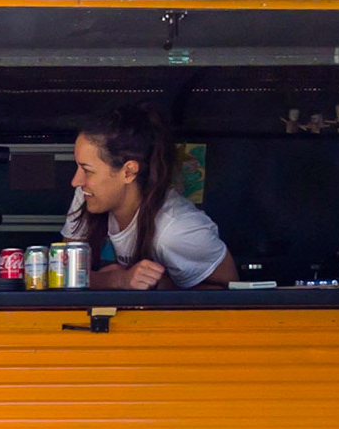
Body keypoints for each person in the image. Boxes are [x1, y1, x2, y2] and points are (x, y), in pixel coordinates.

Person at [63, 103, 237, 290]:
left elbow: (232, 295)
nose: (76, 181)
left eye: (87, 170)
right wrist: (117, 280)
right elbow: (65, 273)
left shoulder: (176, 230)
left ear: (128, 172)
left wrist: (164, 287)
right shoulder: (87, 194)